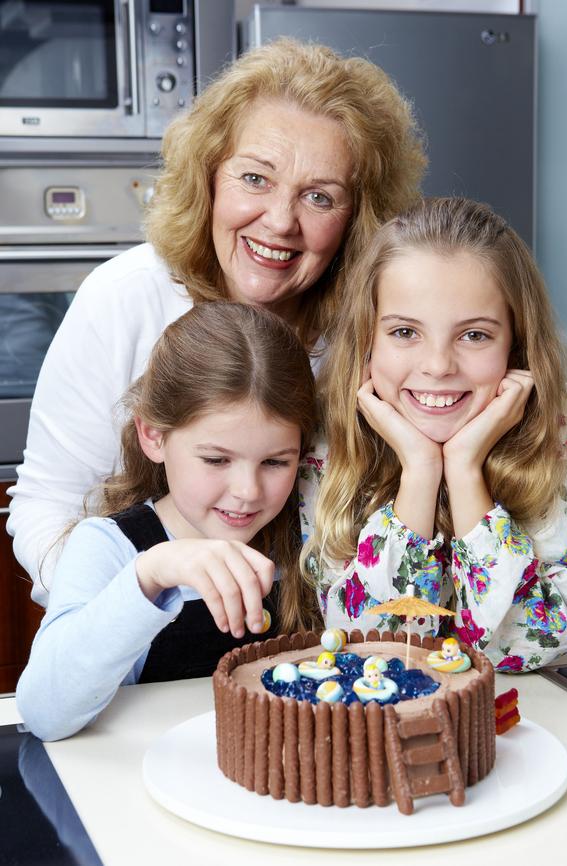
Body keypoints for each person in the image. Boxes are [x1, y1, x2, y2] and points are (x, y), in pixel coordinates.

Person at [7, 37, 426, 605]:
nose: (280, 222)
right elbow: (47, 506)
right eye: (255, 178)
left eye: (320, 198)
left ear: (359, 218)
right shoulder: (124, 299)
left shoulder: (377, 329)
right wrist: (112, 608)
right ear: (208, 174)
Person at [299, 197, 567, 672]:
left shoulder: (555, 424)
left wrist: (464, 471)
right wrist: (420, 472)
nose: (439, 365)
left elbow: (530, 643)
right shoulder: (330, 433)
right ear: (368, 340)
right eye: (404, 332)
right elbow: (376, 649)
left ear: (516, 345)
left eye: (474, 335)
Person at [16, 302, 321, 741]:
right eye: (216, 459)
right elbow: (46, 712)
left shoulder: (309, 534)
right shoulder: (109, 547)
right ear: (154, 436)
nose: (248, 490)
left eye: (275, 461)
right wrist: (151, 573)